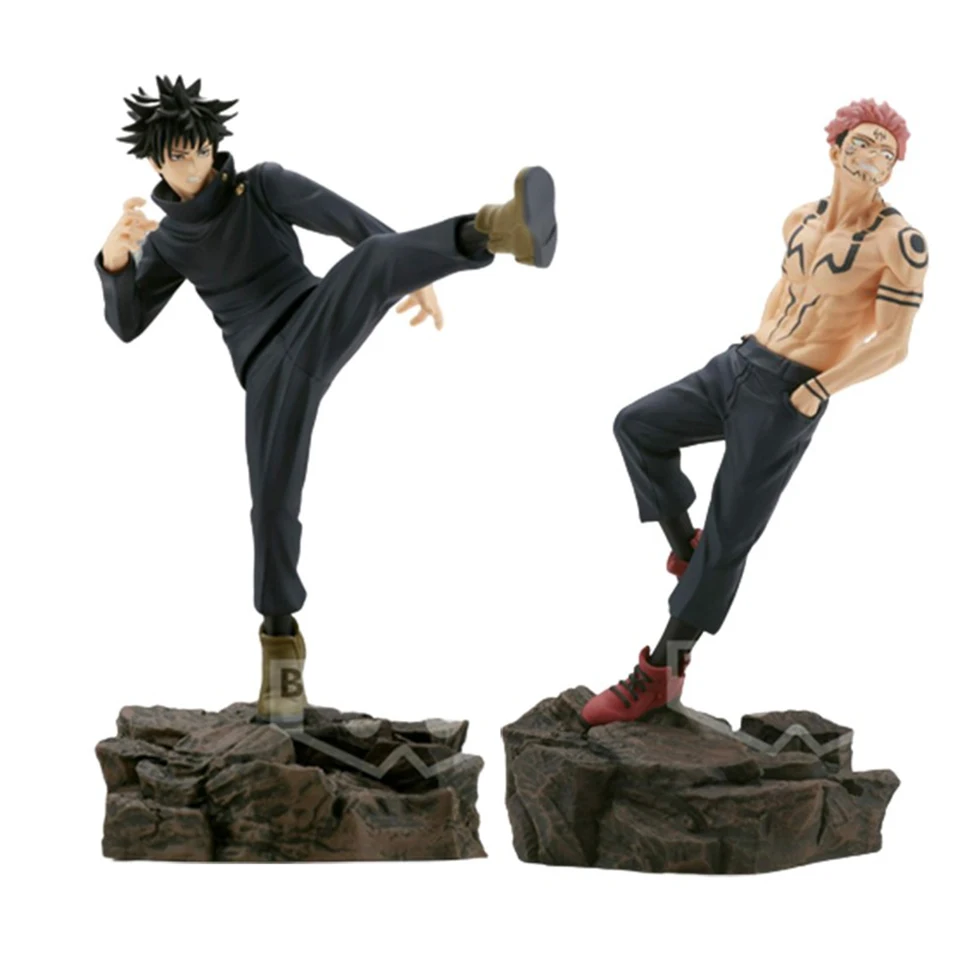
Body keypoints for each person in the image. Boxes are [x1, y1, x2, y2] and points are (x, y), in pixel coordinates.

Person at [95, 75, 558, 727]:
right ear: (155, 163)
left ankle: (501, 229)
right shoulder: (169, 241)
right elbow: (127, 324)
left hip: (314, 316)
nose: (193, 165)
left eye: (200, 149)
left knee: (371, 259)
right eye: (177, 156)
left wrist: (417, 268)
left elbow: (349, 222)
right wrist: (114, 262)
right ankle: (280, 659)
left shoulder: (262, 185)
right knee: (272, 505)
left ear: (214, 145)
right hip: (266, 371)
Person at [581, 98, 926, 726]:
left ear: (894, 167)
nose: (874, 155)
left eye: (887, 150)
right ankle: (685, 548)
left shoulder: (900, 242)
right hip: (741, 363)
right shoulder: (800, 218)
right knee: (637, 426)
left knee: (731, 535)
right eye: (863, 141)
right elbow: (789, 293)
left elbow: (894, 344)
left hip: (791, 393)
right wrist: (750, 352)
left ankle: (660, 672)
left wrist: (820, 389)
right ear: (835, 148)